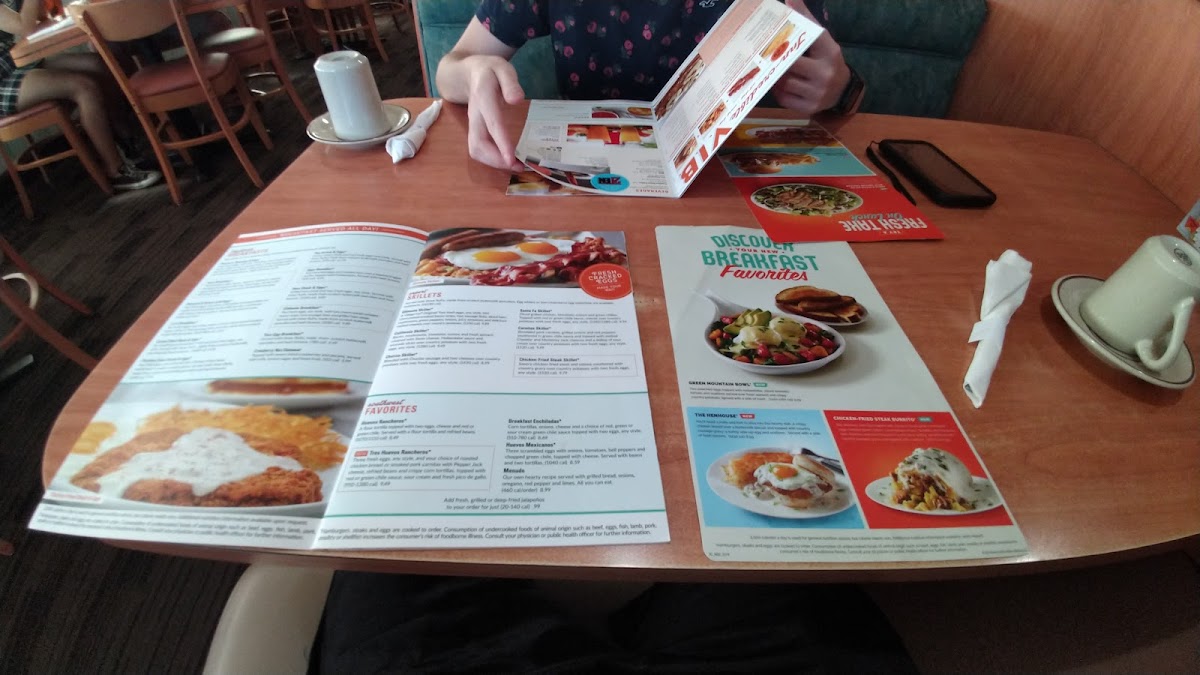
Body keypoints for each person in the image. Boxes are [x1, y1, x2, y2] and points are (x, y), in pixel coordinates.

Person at [437, 0, 861, 172]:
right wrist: (473, 73)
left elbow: (845, 94)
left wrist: (841, 90)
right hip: (586, 169)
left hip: (722, 179)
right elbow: (450, 69)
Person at [0, 0, 160, 191]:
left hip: (16, 64)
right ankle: (116, 170)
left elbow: (41, 18)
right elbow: (24, 28)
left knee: (99, 65)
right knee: (84, 87)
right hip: (3, 80)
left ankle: (130, 147)